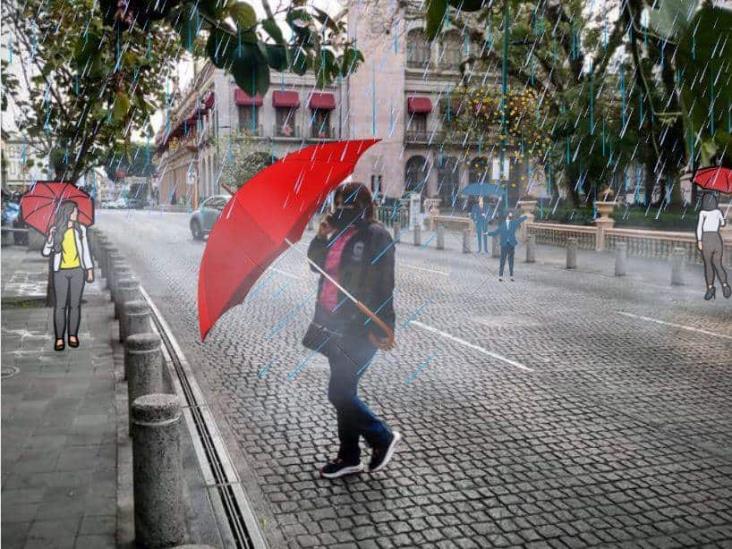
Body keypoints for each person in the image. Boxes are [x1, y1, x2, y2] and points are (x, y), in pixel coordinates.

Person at [307, 182, 401, 479]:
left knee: (340, 391)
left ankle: (381, 436)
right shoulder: (338, 235)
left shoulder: (376, 235)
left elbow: (385, 284)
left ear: (361, 205)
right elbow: (316, 266)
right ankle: (349, 457)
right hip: (333, 326)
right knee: (344, 391)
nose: (340, 210)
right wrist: (321, 238)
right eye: (337, 204)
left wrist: (381, 326)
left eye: (346, 204)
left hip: (358, 329)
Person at [42, 200, 94, 351]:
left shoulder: (81, 230)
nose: (77, 214)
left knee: (75, 305)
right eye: (75, 211)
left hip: (78, 271)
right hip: (61, 272)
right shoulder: (56, 230)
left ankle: (72, 335)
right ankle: (59, 338)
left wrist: (89, 270)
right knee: (60, 306)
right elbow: (46, 252)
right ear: (67, 213)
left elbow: (85, 251)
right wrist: (50, 238)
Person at [696, 193, 730, 300]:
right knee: (718, 264)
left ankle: (710, 288)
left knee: (708, 265)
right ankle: (725, 285)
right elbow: (723, 224)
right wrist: (723, 220)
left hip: (706, 238)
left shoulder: (703, 213)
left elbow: (699, 227)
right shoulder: (718, 212)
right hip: (716, 239)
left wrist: (699, 240)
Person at [487, 211, 528, 281]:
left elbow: (520, 220)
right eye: (509, 217)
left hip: (510, 244)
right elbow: (495, 232)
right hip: (505, 244)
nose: (510, 218)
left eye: (510, 217)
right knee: (504, 260)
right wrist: (487, 233)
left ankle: (509, 276)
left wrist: (526, 216)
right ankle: (502, 276)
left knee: (509, 260)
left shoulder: (510, 224)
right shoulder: (505, 225)